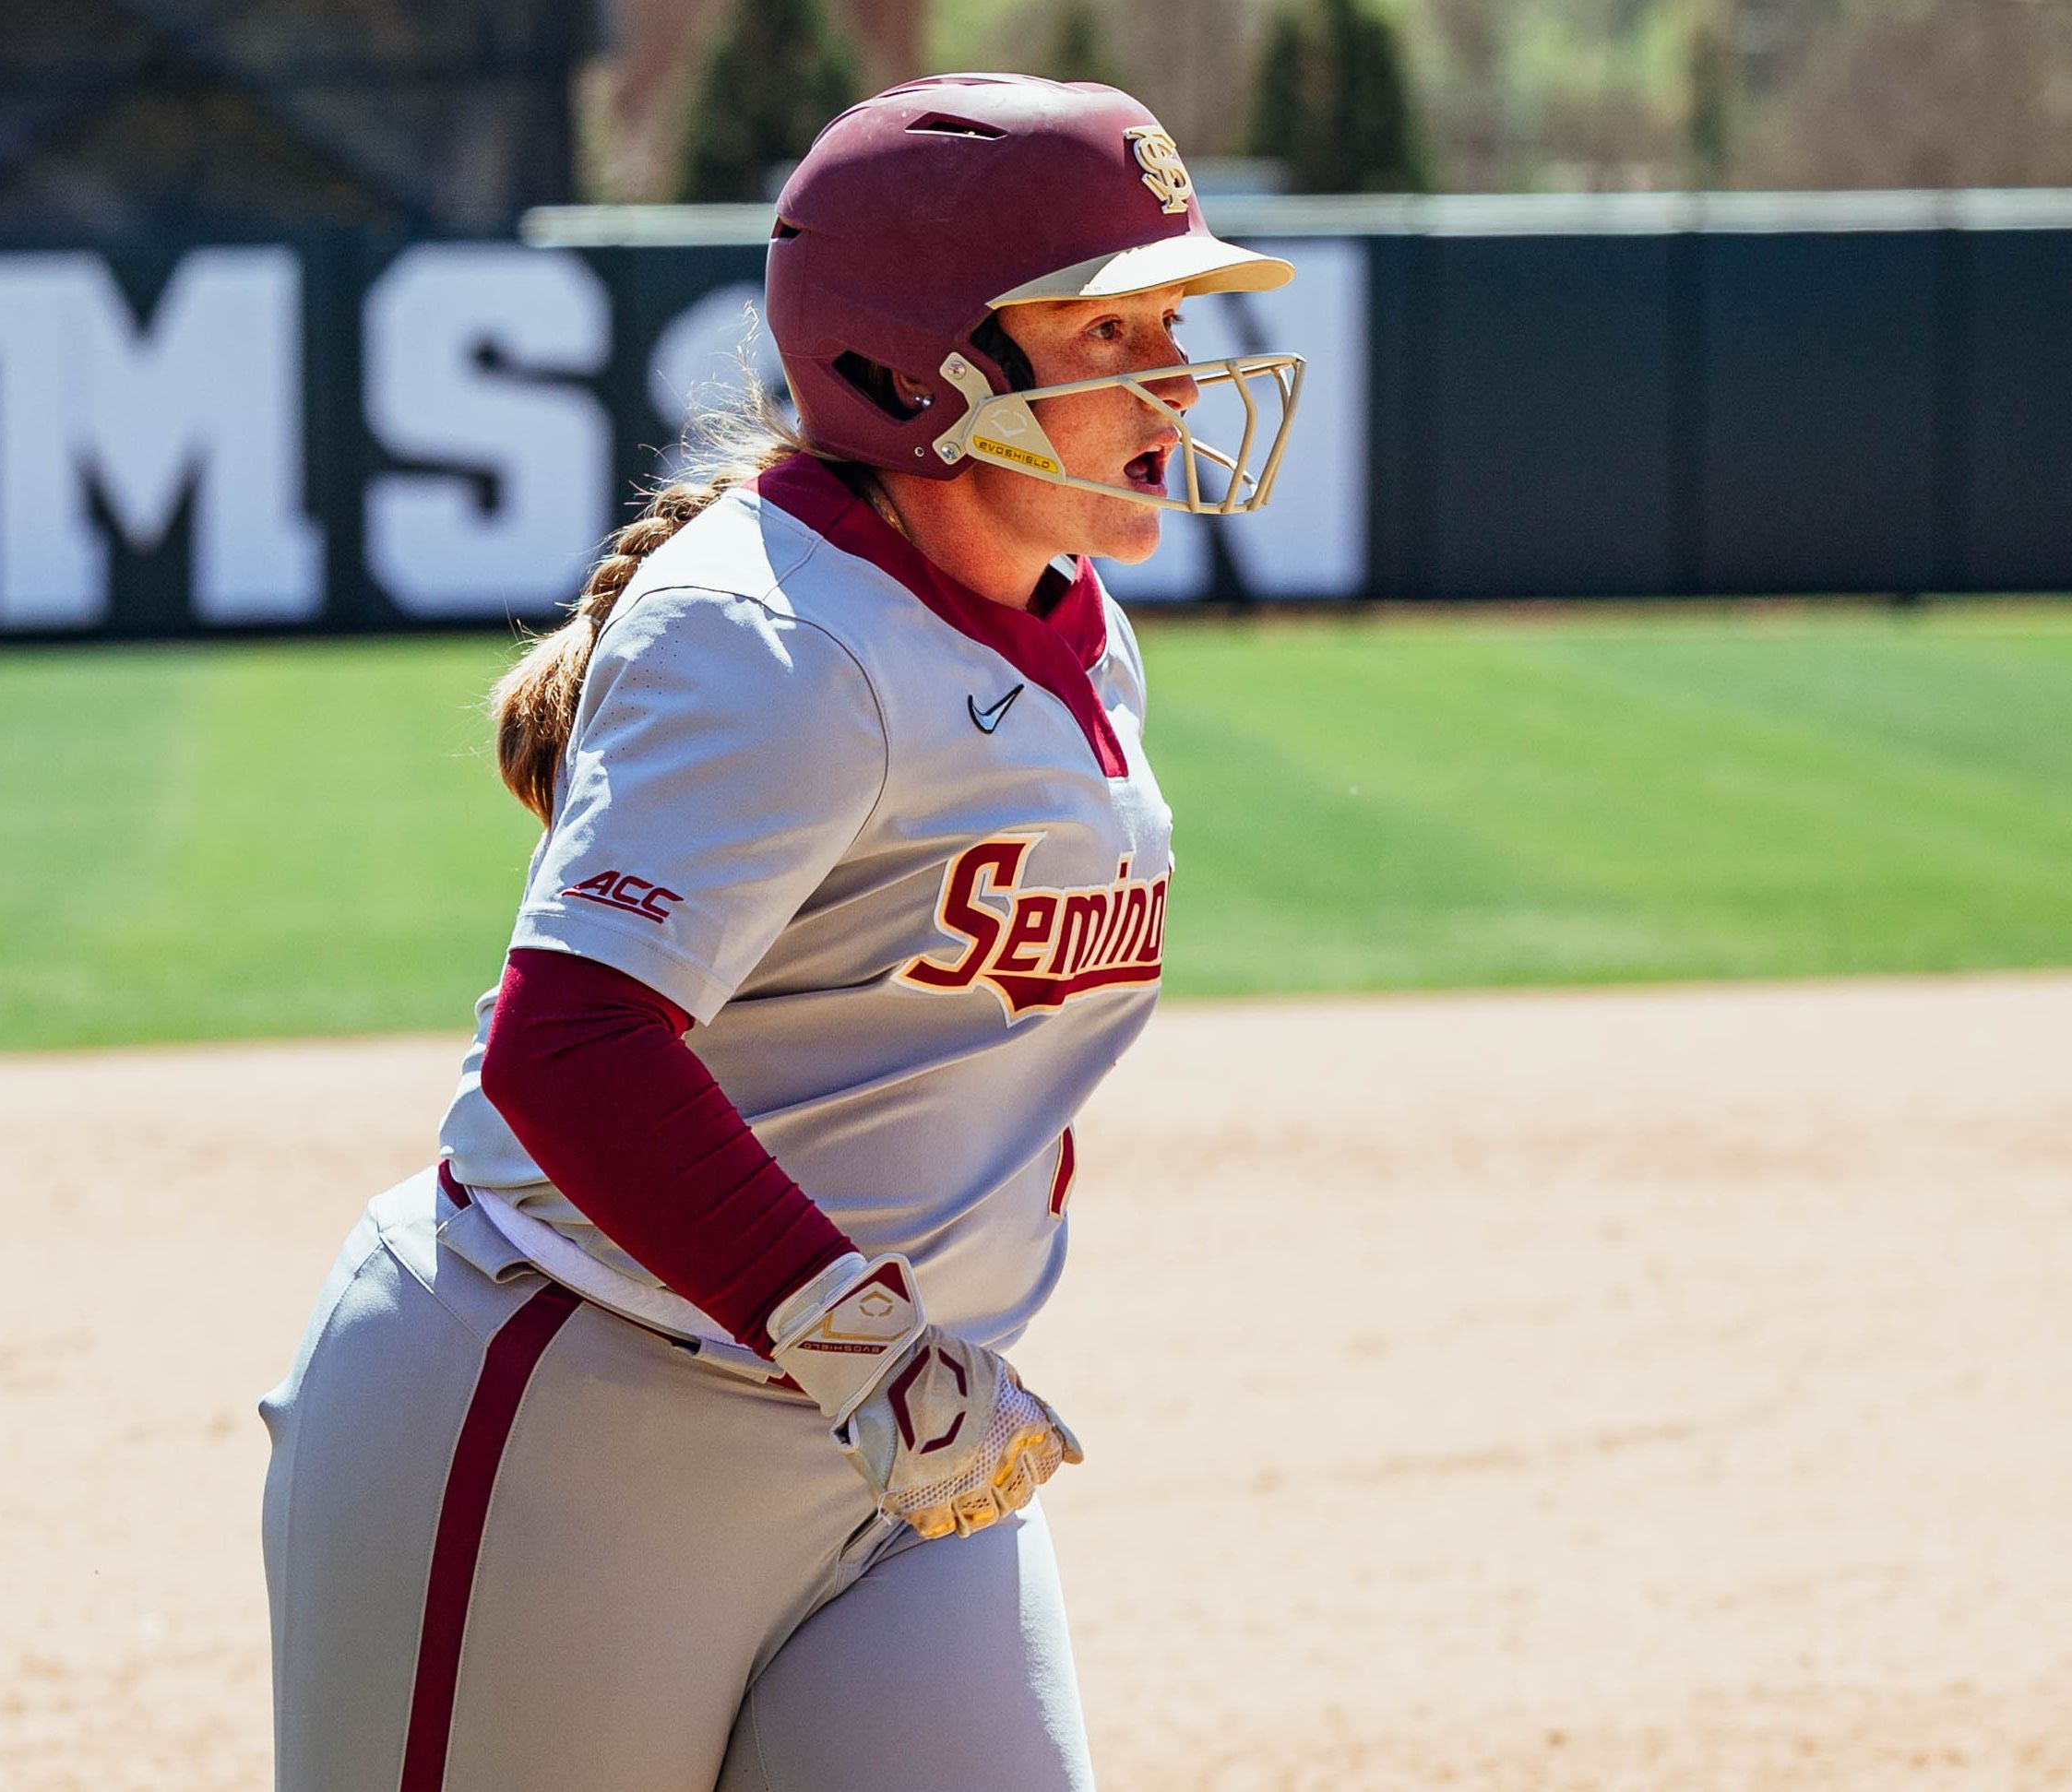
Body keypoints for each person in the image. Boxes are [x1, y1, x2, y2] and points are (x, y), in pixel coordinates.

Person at [256, 73, 1304, 1792]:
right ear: (919, 367)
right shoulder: (773, 636)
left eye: (1172, 320)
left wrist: (891, 1366)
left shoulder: (1067, 614)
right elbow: (567, 1050)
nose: (1177, 383)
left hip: (901, 1451)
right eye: (1115, 327)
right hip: (576, 1413)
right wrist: (857, 1339)